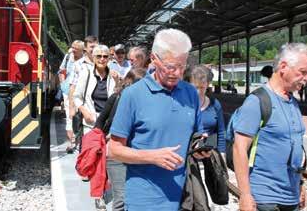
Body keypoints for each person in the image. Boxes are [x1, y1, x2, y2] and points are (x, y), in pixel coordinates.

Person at [108, 29, 210, 211]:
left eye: (182, 66)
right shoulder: (133, 95)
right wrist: (152, 156)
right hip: (144, 200)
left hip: (185, 197)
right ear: (154, 59)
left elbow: (195, 137)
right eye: (171, 67)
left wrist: (198, 149)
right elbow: (114, 150)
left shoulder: (191, 94)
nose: (177, 73)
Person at [233, 43, 307, 211]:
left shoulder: (293, 103)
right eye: (303, 72)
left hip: (291, 197)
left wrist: (300, 183)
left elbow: (294, 147)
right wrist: (245, 195)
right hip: (264, 199)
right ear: (283, 67)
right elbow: (239, 148)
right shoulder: (257, 102)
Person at [95, 68, 147, 211]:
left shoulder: (147, 103)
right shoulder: (116, 97)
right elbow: (99, 123)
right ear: (130, 83)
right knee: (121, 197)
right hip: (116, 153)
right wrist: (107, 137)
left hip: (138, 154)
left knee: (136, 195)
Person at [73, 44, 117, 211]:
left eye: (105, 56)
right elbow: (77, 97)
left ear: (109, 58)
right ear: (93, 57)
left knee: (105, 160)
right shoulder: (86, 74)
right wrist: (83, 110)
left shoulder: (113, 75)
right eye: (98, 56)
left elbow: (119, 95)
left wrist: (119, 80)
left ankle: (102, 190)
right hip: (91, 123)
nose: (102, 59)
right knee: (96, 160)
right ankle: (98, 196)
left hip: (109, 124)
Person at [184, 65, 226, 155]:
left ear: (207, 84)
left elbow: (221, 131)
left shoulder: (214, 104)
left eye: (202, 87)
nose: (198, 92)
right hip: (186, 155)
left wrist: (222, 154)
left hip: (209, 154)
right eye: (195, 87)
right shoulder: (182, 104)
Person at [69, 36, 98, 148]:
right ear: (85, 48)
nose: (94, 49)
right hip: (84, 105)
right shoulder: (78, 65)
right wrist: (72, 108)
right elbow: (73, 86)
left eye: (96, 46)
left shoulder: (103, 62)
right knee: (84, 138)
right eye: (91, 47)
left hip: (99, 105)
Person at [58, 41, 84, 153]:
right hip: (68, 91)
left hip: (81, 92)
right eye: (72, 47)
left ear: (82, 50)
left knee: (79, 117)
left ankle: (79, 141)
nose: (73, 50)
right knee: (70, 116)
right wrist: (63, 85)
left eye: (76, 48)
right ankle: (71, 143)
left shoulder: (85, 59)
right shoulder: (68, 56)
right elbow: (61, 71)